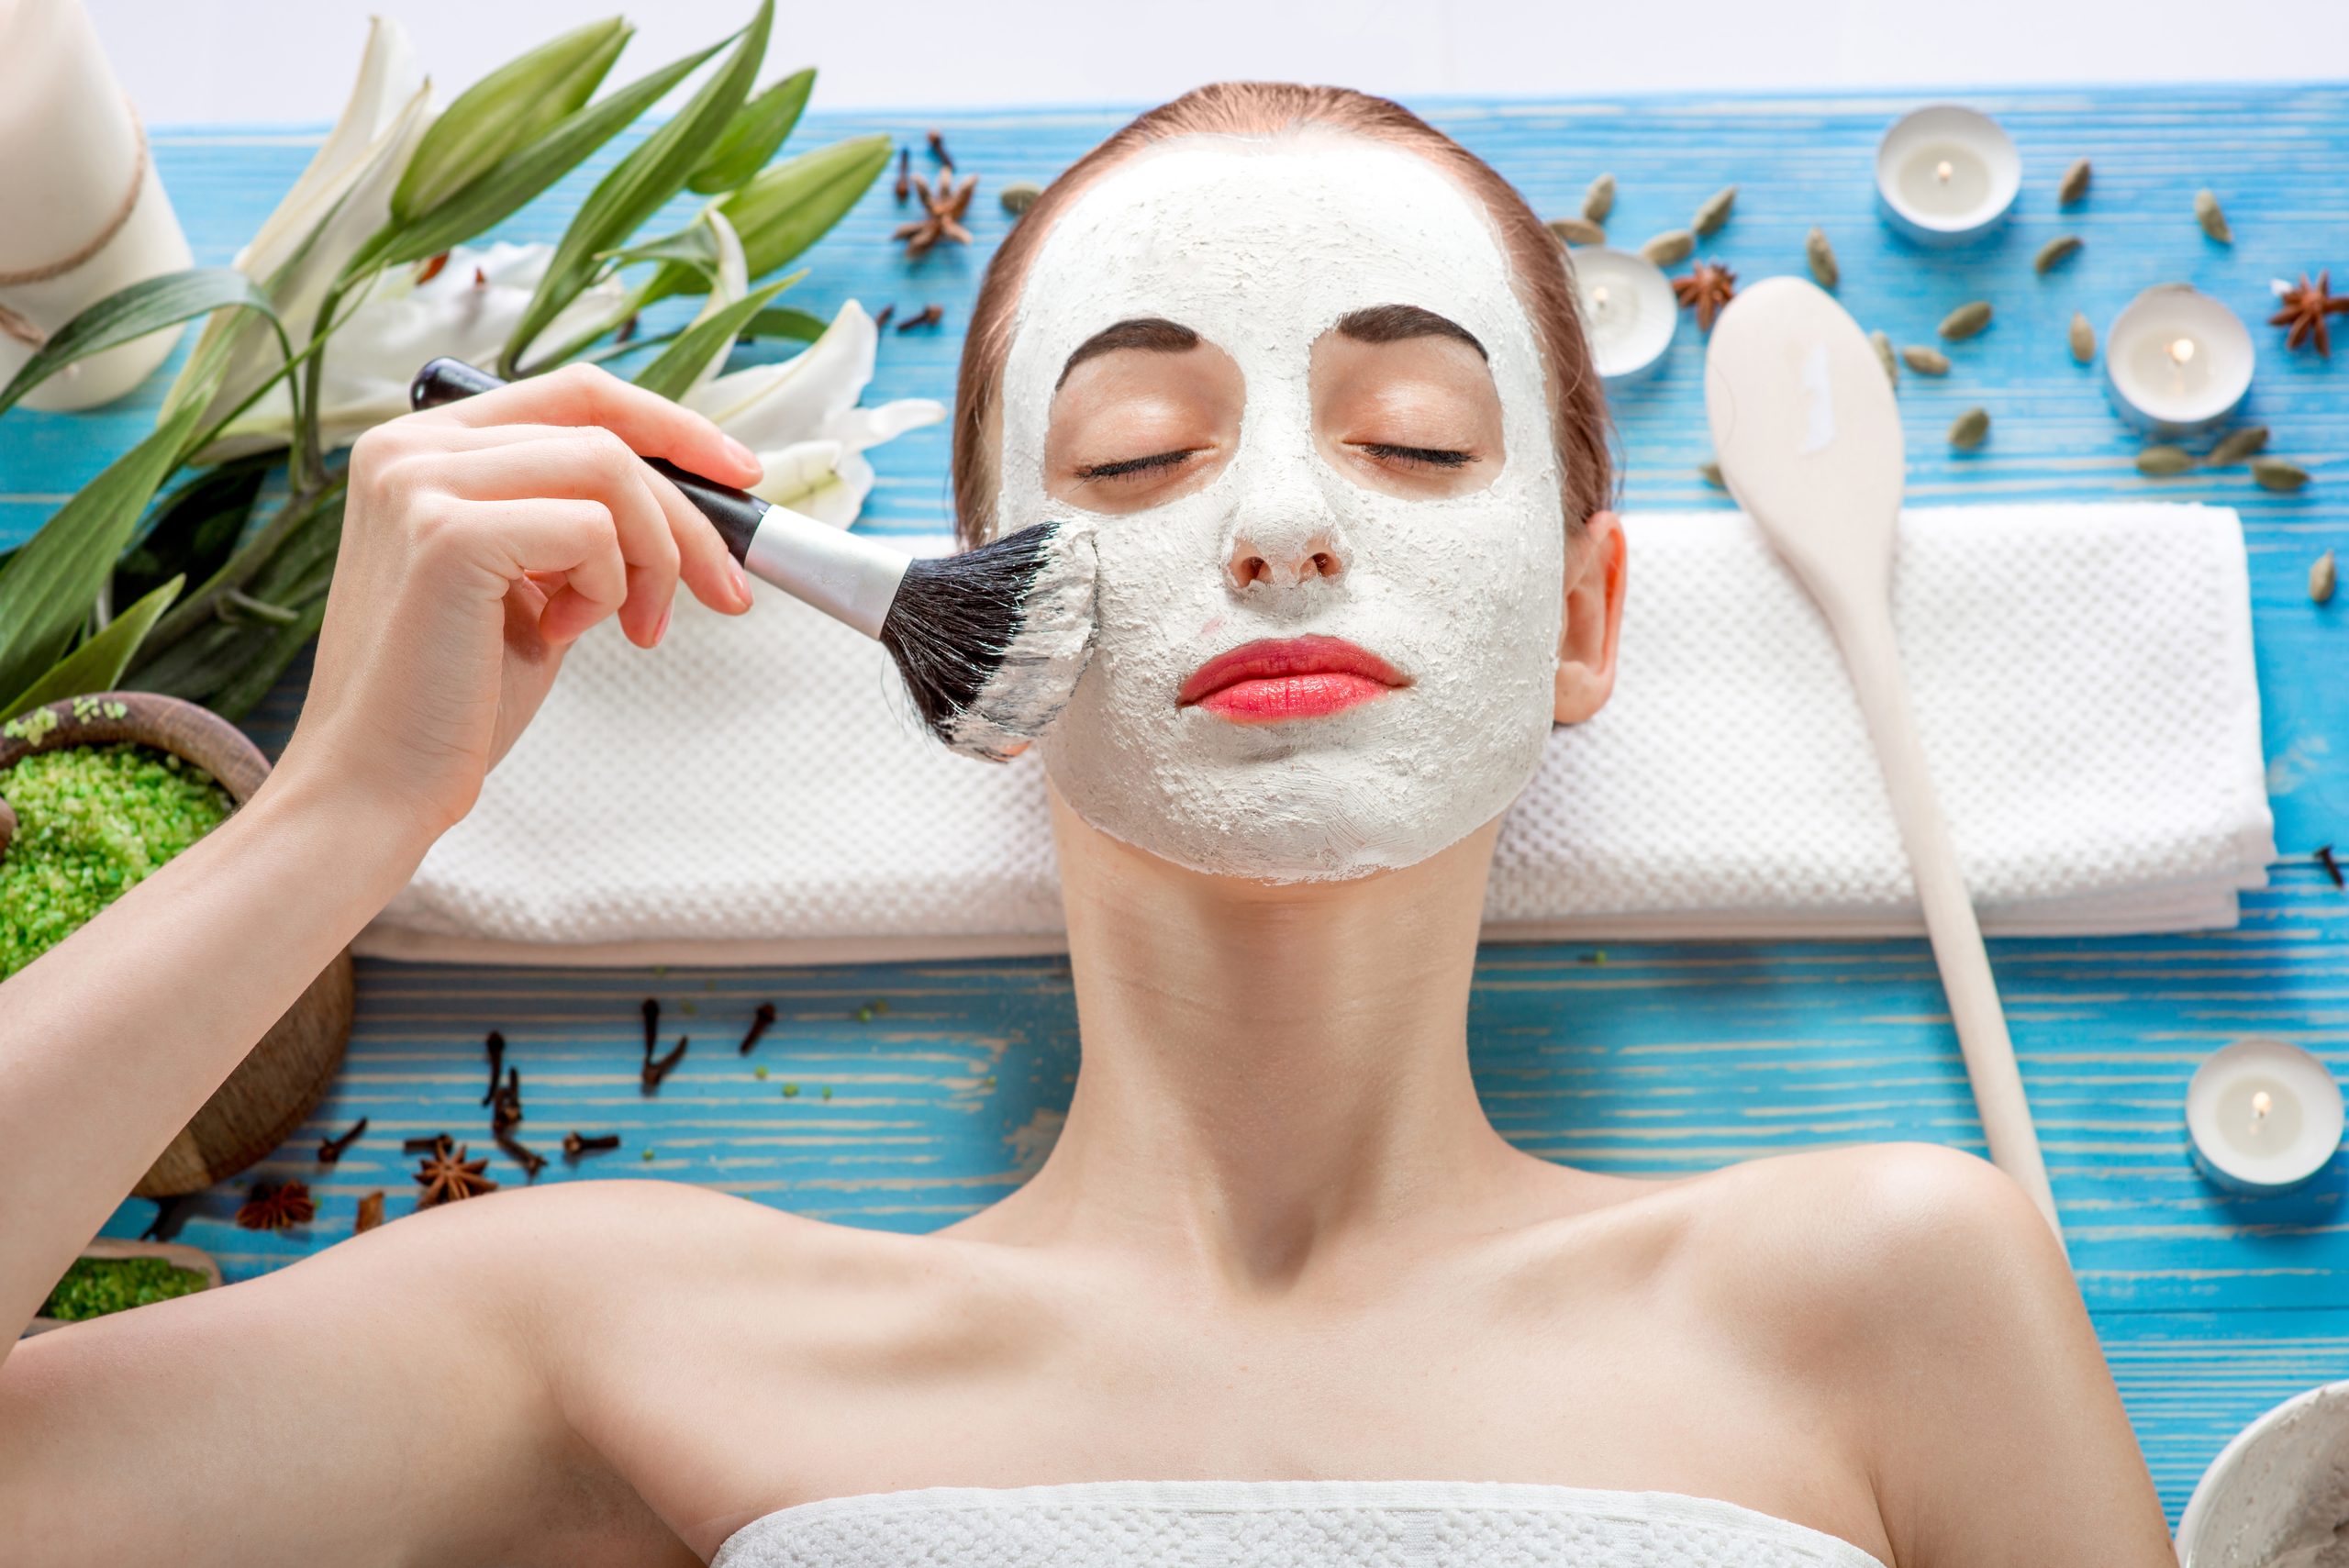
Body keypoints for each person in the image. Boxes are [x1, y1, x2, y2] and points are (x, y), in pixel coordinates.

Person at [0, 83, 2174, 1568]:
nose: (1284, 527)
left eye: (1413, 441)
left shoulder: (1884, 1291)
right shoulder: (629, 1334)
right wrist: (346, 818)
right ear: (963, 626)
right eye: (1135, 457)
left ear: (1582, 624)